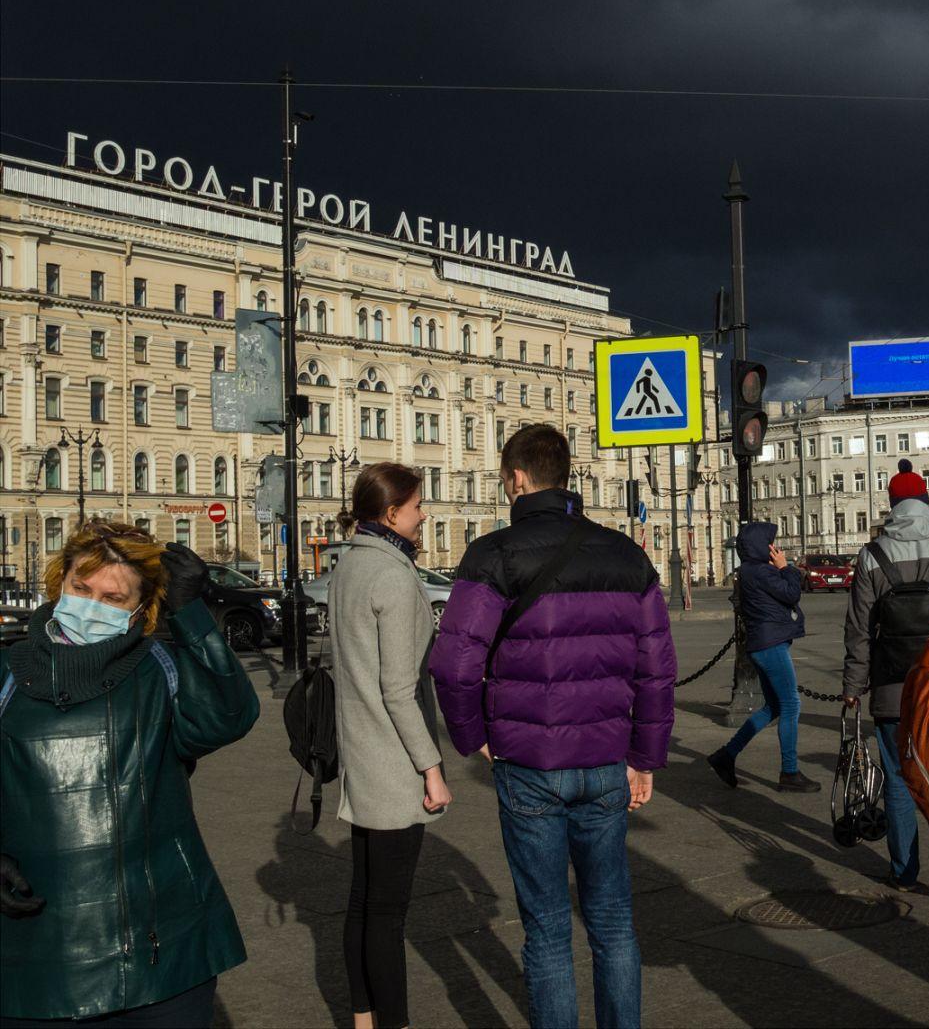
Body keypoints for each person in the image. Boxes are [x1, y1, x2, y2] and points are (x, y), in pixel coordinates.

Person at [430, 425, 676, 1029]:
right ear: (567, 477)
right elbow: (656, 669)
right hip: (606, 761)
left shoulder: (493, 553)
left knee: (546, 930)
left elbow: (454, 664)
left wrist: (473, 736)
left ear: (516, 479)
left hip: (528, 763)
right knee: (612, 921)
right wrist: (644, 757)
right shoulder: (628, 555)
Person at [0, 521, 259, 1027]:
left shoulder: (160, 667)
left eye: (112, 598)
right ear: (60, 582)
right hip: (33, 954)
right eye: (81, 588)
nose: (90, 606)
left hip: (158, 951)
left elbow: (229, 717)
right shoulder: (8, 673)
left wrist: (191, 614)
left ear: (141, 610)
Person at [331, 462, 452, 1029]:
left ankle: (363, 1019)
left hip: (360, 751)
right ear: (391, 513)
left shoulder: (349, 565)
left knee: (362, 901)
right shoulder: (394, 577)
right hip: (394, 760)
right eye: (417, 506)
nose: (423, 515)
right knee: (387, 912)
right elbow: (401, 691)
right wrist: (432, 768)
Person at [843, 459, 929, 890]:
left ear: (892, 504)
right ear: (927, 501)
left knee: (897, 778)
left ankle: (904, 871)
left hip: (892, 688)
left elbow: (859, 629)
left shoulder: (871, 555)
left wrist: (852, 687)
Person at [708, 521, 820, 792]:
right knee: (791, 705)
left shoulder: (749, 570)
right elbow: (792, 593)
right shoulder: (761, 571)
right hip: (771, 645)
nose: (775, 547)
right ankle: (789, 772)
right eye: (771, 543)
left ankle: (726, 755)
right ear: (761, 546)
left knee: (774, 707)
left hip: (762, 644)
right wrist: (785, 567)